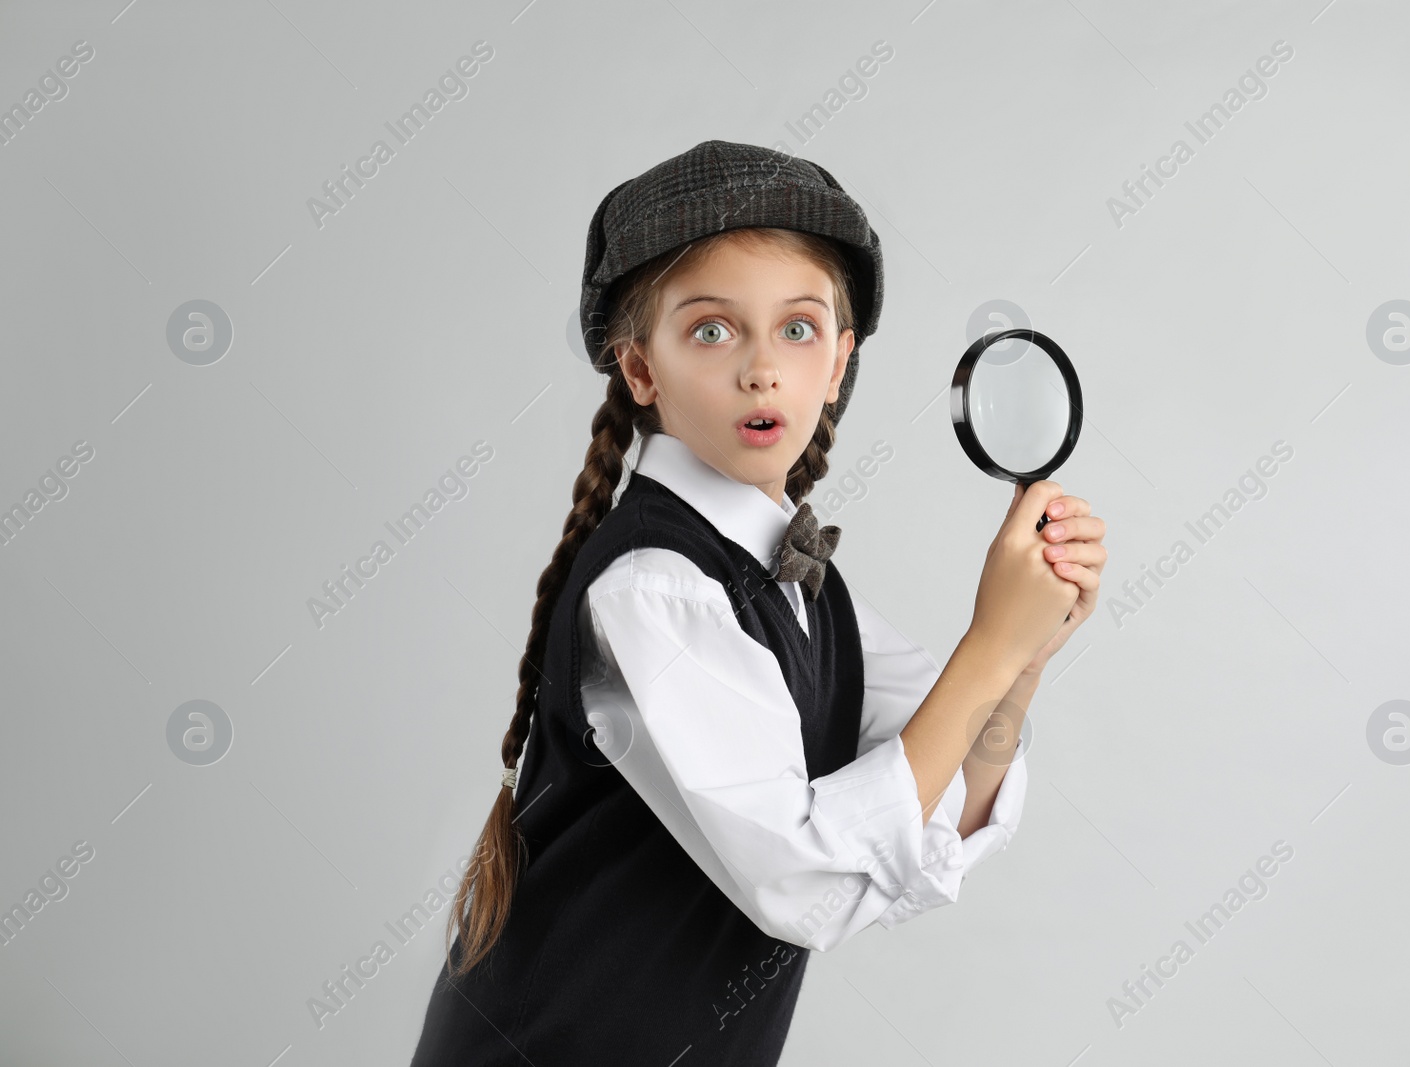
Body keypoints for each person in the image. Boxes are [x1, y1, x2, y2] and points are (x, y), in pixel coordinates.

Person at [408, 139, 1106, 1065]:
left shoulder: (807, 588)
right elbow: (809, 879)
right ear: (641, 368)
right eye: (711, 330)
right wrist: (989, 644)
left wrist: (1020, 662)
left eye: (798, 329)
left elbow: (923, 810)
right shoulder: (654, 586)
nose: (762, 369)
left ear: (840, 361)